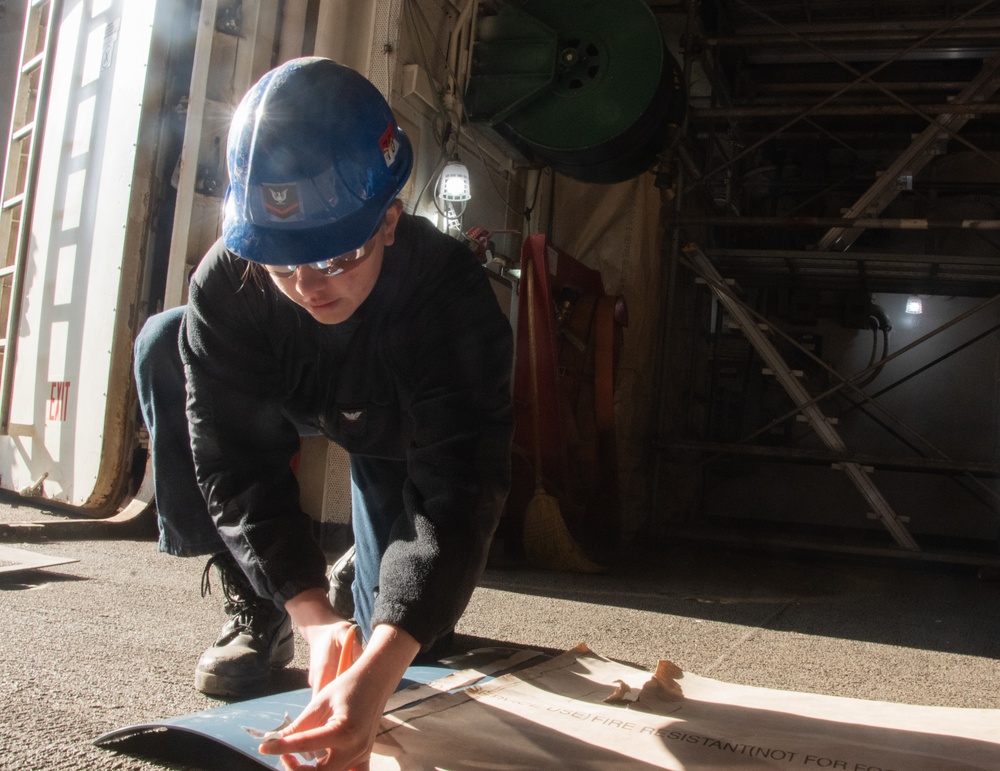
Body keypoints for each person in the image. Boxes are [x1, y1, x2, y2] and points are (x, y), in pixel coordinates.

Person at [133, 56, 514, 768]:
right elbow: (233, 462)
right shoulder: (230, 283)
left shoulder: (451, 298)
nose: (307, 285)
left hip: (392, 431)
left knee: (402, 646)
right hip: (293, 397)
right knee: (165, 341)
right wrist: (311, 618)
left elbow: (459, 487)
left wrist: (380, 660)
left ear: (390, 221)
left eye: (337, 258)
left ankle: (353, 585)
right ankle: (264, 603)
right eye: (282, 264)